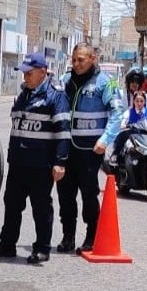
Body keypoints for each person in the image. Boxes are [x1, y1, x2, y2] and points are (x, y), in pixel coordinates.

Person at [0, 53, 70, 265]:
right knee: (12, 205)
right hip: (19, 162)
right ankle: (7, 245)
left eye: (29, 73)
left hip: (41, 164)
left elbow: (63, 133)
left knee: (41, 208)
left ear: (43, 72)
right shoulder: (23, 95)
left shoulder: (55, 96)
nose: (25, 77)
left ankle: (42, 249)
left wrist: (60, 162)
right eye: (24, 73)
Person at [55, 44, 124, 255]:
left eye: (81, 60)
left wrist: (105, 139)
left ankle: (92, 235)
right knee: (65, 194)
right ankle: (68, 236)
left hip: (90, 150)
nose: (76, 64)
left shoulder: (106, 83)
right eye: (74, 60)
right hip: (67, 147)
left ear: (93, 58)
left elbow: (117, 113)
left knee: (88, 194)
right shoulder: (66, 81)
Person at [110, 91, 147, 166]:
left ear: (144, 102)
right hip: (135, 134)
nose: (139, 103)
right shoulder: (129, 112)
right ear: (134, 102)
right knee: (123, 135)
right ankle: (115, 154)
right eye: (137, 101)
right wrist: (123, 125)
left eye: (141, 101)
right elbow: (123, 121)